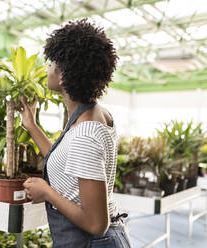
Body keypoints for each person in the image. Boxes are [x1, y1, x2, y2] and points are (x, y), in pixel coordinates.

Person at [20, 19, 131, 248]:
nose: (48, 68)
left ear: (62, 76)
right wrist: (32, 126)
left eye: (51, 63)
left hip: (94, 242)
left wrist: (47, 193)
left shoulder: (85, 134)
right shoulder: (95, 114)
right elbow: (68, 161)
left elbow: (95, 223)